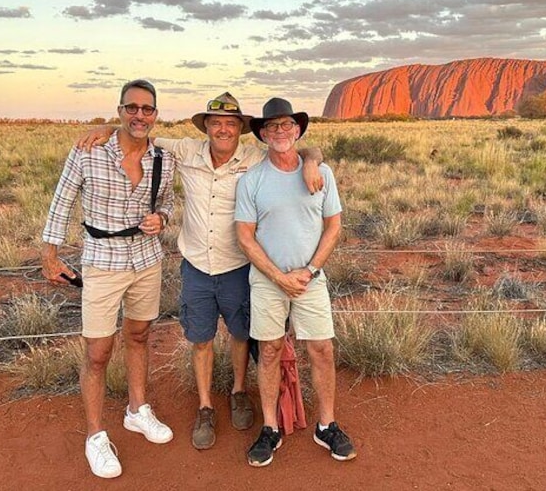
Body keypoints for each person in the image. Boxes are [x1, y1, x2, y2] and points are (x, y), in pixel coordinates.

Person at [76, 92, 323, 451]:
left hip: (238, 264)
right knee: (201, 338)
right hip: (196, 266)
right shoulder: (186, 150)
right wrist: (107, 127)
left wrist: (312, 161)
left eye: (231, 124)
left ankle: (239, 391)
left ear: (241, 128)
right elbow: (139, 133)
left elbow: (301, 152)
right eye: (216, 122)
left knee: (240, 333)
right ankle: (205, 405)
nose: (223, 129)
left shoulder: (255, 156)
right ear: (206, 126)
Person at [41, 79, 176, 479]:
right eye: (131, 107)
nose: (139, 115)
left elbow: (167, 200)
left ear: (155, 114)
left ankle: (137, 410)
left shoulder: (163, 159)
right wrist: (49, 253)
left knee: (138, 336)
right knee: (98, 352)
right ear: (119, 110)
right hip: (101, 261)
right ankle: (96, 436)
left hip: (146, 258)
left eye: (147, 109)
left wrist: (163, 218)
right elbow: (61, 201)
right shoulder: (89, 150)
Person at [235, 97, 357, 467]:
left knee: (321, 349)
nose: (280, 132)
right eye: (272, 127)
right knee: (269, 351)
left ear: (298, 130)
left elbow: (333, 226)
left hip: (311, 278)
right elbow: (245, 236)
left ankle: (326, 424)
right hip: (268, 280)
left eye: (286, 125)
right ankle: (271, 428)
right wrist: (278, 277)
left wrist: (311, 270)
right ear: (263, 134)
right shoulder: (252, 180)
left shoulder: (323, 173)